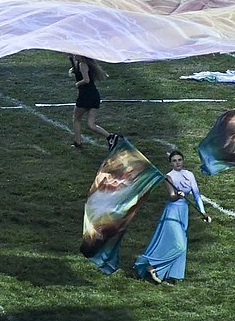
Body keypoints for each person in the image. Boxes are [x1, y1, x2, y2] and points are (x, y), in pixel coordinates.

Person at [133, 150, 210, 283]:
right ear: (171, 163)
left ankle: (165, 273)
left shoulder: (189, 175)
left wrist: (202, 212)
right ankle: (151, 265)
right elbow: (171, 197)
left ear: (183, 160)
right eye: (174, 160)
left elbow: (196, 195)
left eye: (179, 159)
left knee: (180, 245)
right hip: (172, 212)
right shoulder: (169, 177)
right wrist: (177, 195)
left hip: (183, 213)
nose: (177, 162)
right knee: (179, 245)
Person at [69, 54, 118, 149]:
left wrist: (78, 83)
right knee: (91, 125)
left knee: (76, 119)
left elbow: (86, 80)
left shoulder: (82, 64)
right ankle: (110, 137)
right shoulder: (83, 64)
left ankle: (77, 142)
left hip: (85, 96)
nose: (74, 55)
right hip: (94, 96)